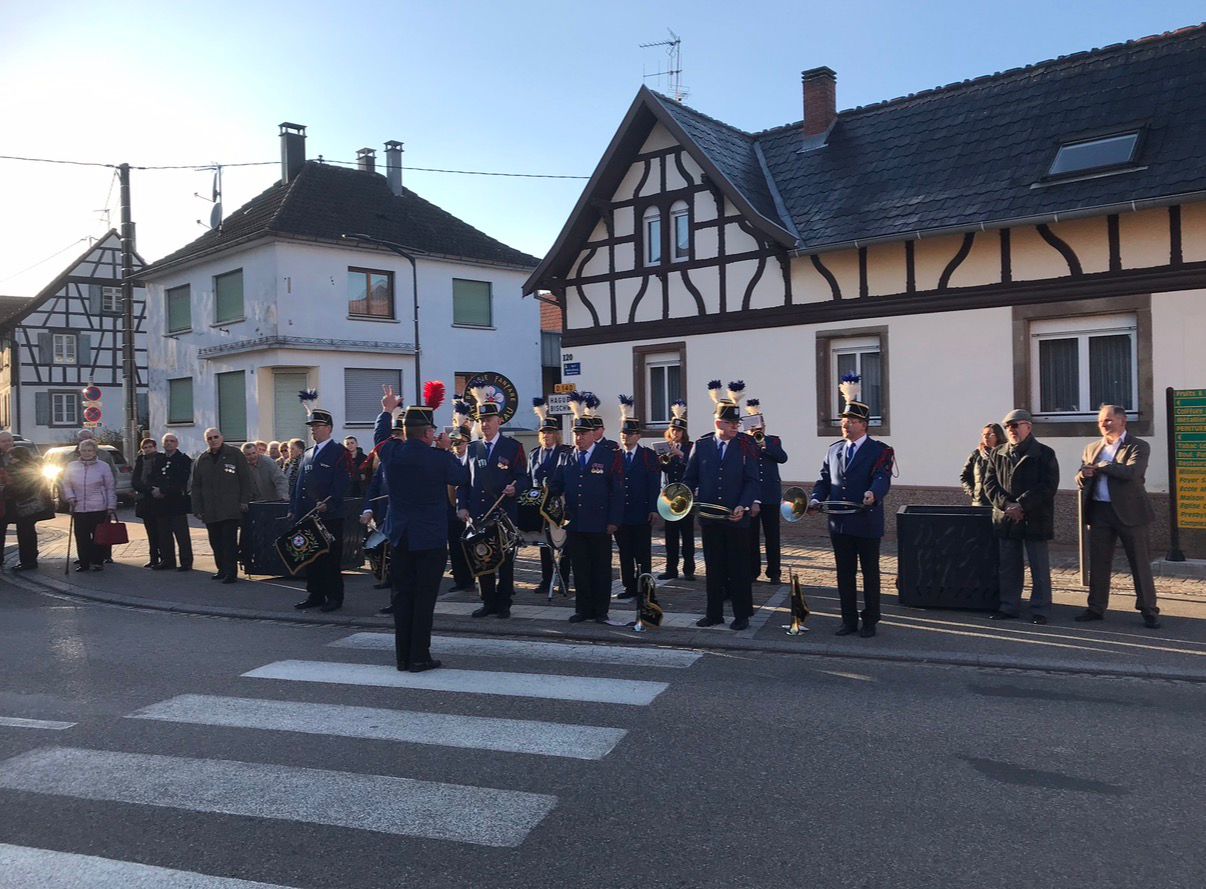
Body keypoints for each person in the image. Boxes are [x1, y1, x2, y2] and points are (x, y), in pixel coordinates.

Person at [375, 383, 468, 672]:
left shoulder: (393, 453)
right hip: (429, 539)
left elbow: (379, 437)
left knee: (402, 598)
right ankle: (419, 656)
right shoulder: (439, 457)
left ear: (404, 432)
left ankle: (403, 657)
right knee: (424, 599)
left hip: (401, 537)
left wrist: (387, 411)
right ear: (428, 434)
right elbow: (461, 476)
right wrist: (446, 449)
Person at [808, 375, 894, 638]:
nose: (845, 425)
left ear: (864, 425)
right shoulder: (833, 450)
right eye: (844, 421)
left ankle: (870, 620)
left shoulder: (880, 450)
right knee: (844, 574)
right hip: (839, 523)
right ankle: (848, 620)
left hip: (866, 521)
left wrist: (873, 494)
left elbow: (882, 478)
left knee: (870, 574)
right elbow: (824, 480)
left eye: (851, 422)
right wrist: (815, 498)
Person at [683, 381, 761, 631]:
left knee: (739, 569)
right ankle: (713, 613)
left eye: (737, 424)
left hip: (736, 518)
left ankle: (742, 615)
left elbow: (752, 480)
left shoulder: (745, 445)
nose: (736, 428)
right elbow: (690, 478)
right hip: (709, 517)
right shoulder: (702, 445)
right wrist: (685, 498)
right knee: (714, 567)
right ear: (719, 423)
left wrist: (744, 505)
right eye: (731, 424)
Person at [1075, 405, 1161, 628]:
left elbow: (1132, 474)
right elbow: (1080, 476)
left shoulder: (1138, 446)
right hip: (1100, 511)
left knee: (1139, 562)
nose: (1104, 425)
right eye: (1101, 421)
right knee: (1099, 562)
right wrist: (1083, 475)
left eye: (1109, 420)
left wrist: (1104, 466)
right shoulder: (1091, 447)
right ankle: (1096, 607)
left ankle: (1148, 609)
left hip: (1130, 512)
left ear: (1123, 421)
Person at [548, 400, 623, 623]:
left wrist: (614, 521)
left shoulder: (609, 455)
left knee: (600, 568)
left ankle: (600, 610)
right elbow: (556, 484)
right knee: (580, 568)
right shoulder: (566, 456)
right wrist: (546, 494)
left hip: (600, 522)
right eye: (575, 433)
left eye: (582, 434)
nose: (578, 438)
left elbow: (617, 491)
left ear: (593, 434)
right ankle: (583, 608)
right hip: (575, 522)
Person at [982, 408, 1059, 625]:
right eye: (1007, 427)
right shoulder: (998, 453)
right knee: (1008, 566)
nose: (1011, 430)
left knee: (1039, 566)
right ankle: (1009, 606)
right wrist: (1007, 505)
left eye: (1015, 425)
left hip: (1035, 517)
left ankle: (1041, 609)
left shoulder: (1045, 453)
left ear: (1028, 427)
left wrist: (1022, 505)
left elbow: (1048, 486)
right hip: (1006, 516)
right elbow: (990, 484)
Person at [457, 385, 527, 618]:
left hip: (503, 514)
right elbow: (464, 481)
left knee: (505, 561)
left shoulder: (513, 447)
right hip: (479, 514)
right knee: (482, 558)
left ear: (499, 421)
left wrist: (514, 488)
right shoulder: (473, 448)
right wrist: (462, 505)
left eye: (489, 419)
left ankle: (504, 602)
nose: (485, 424)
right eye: (482, 420)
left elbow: (523, 477)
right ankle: (487, 602)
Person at [290, 400, 352, 612]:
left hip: (329, 516)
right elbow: (300, 485)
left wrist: (330, 503)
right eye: (312, 427)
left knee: (330, 559)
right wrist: (296, 510)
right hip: (309, 515)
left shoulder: (338, 452)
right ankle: (315, 594)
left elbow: (342, 483)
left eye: (317, 427)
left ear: (329, 428)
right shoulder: (308, 453)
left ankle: (334, 597)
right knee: (311, 559)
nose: (314, 431)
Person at [190, 427, 252, 584]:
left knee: (228, 542)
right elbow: (196, 486)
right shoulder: (202, 460)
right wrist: (197, 508)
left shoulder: (235, 454)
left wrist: (244, 500)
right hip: (210, 510)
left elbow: (245, 479)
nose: (213, 440)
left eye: (215, 437)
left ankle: (231, 572)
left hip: (230, 508)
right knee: (215, 542)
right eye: (209, 438)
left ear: (222, 437)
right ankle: (221, 569)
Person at [613, 395, 659, 600]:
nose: (626, 437)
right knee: (624, 552)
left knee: (643, 553)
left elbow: (653, 483)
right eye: (624, 433)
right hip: (621, 513)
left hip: (641, 512)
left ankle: (645, 588)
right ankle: (629, 586)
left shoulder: (648, 456)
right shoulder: (615, 456)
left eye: (630, 433)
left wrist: (653, 508)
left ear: (638, 436)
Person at [528, 398, 573, 595]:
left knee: (562, 543)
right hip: (539, 505)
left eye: (550, 432)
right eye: (543, 432)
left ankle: (563, 580)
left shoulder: (565, 453)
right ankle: (546, 580)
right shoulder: (534, 454)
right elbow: (530, 479)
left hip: (559, 504)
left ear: (556, 435)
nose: (546, 436)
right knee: (545, 544)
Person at [746, 398, 788, 585]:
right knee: (751, 536)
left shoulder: (773, 441)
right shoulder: (743, 443)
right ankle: (753, 570)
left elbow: (783, 457)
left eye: (760, 426)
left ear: (764, 426)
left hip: (770, 495)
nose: (757, 429)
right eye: (754, 426)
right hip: (752, 496)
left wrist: (765, 445)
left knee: (772, 536)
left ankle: (774, 572)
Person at [61, 439, 117, 572]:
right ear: (79, 451)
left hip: (99, 507)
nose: (86, 453)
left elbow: (110, 487)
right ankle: (84, 563)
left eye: (89, 450)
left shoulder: (103, 466)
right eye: (84, 450)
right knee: (81, 537)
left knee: (98, 536)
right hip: (79, 507)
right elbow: (66, 484)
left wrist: (111, 505)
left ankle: (98, 561)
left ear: (95, 452)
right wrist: (70, 497)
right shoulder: (72, 466)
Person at [658, 401, 695, 581]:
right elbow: (663, 469)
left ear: (684, 432)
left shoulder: (691, 447)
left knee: (687, 535)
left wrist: (680, 455)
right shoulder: (666, 447)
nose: (676, 433)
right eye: (673, 430)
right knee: (670, 536)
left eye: (679, 431)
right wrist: (664, 459)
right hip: (670, 497)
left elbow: (693, 467)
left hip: (686, 496)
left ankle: (689, 569)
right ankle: (671, 569)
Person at [0, 432, 43, 570]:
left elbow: (33, 477)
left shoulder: (23, 454)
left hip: (24, 501)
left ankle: (28, 560)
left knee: (26, 531)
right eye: (3, 441)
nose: (7, 443)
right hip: (4, 502)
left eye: (9, 440)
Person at [150, 433, 193, 571]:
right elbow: (153, 476)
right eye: (166, 441)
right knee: (164, 533)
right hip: (161, 504)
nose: (169, 443)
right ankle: (167, 560)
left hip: (177, 503)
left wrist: (163, 490)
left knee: (181, 535)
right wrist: (153, 489)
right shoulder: (159, 459)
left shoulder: (183, 459)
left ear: (177, 443)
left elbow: (181, 481)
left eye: (172, 441)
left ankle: (186, 562)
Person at [446, 403, 476, 593]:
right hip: (450, 509)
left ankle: (472, 579)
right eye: (454, 443)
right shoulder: (449, 460)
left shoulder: (473, 459)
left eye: (460, 443)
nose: (457, 447)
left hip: (470, 509)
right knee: (455, 546)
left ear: (467, 443)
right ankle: (460, 580)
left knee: (471, 546)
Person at [131, 438, 165, 568]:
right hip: (144, 500)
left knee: (160, 531)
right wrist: (147, 489)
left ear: (155, 447)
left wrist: (153, 489)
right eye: (145, 447)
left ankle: (164, 557)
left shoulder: (160, 459)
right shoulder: (140, 461)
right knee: (150, 532)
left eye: (150, 447)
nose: (147, 449)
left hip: (158, 500)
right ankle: (153, 558)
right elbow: (135, 481)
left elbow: (160, 477)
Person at [960, 423, 1005, 506]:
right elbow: (964, 476)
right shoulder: (976, 454)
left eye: (989, 434)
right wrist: (973, 492)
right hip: (980, 502)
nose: (985, 437)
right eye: (983, 434)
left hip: (1000, 503)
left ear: (998, 436)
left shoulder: (1004, 454)